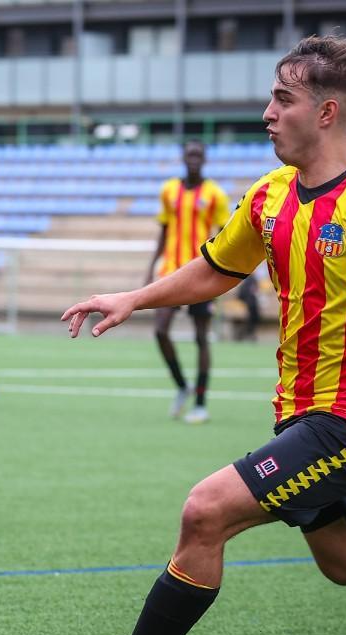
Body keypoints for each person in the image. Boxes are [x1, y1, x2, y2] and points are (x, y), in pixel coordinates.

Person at [50, 36, 346, 635]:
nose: (267, 112)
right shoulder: (270, 195)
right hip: (300, 414)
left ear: (328, 113)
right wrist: (133, 297)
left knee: (205, 511)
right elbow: (216, 268)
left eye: (283, 99)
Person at [146, 140, 230, 423]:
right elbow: (164, 231)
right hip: (170, 271)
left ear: (204, 158)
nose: (194, 158)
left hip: (201, 275)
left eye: (199, 154)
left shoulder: (215, 194)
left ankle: (201, 403)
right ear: (183, 157)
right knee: (160, 330)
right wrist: (150, 269)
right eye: (190, 154)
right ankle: (183, 386)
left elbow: (224, 237)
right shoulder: (169, 190)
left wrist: (222, 273)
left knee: (200, 337)